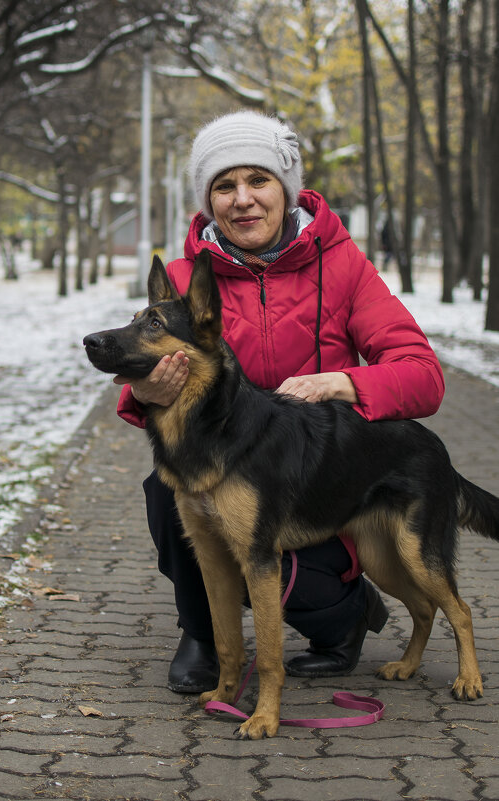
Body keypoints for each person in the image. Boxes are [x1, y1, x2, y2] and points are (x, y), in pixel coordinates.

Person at [114, 111, 445, 694]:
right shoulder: (185, 278)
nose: (243, 199)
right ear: (208, 200)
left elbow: (422, 377)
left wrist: (340, 383)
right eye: (224, 185)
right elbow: (141, 386)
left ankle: (345, 620)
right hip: (223, 460)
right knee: (171, 493)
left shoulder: (344, 266)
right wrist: (144, 392)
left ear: (285, 187)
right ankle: (204, 633)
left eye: (258, 180)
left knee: (294, 574)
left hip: (316, 480)